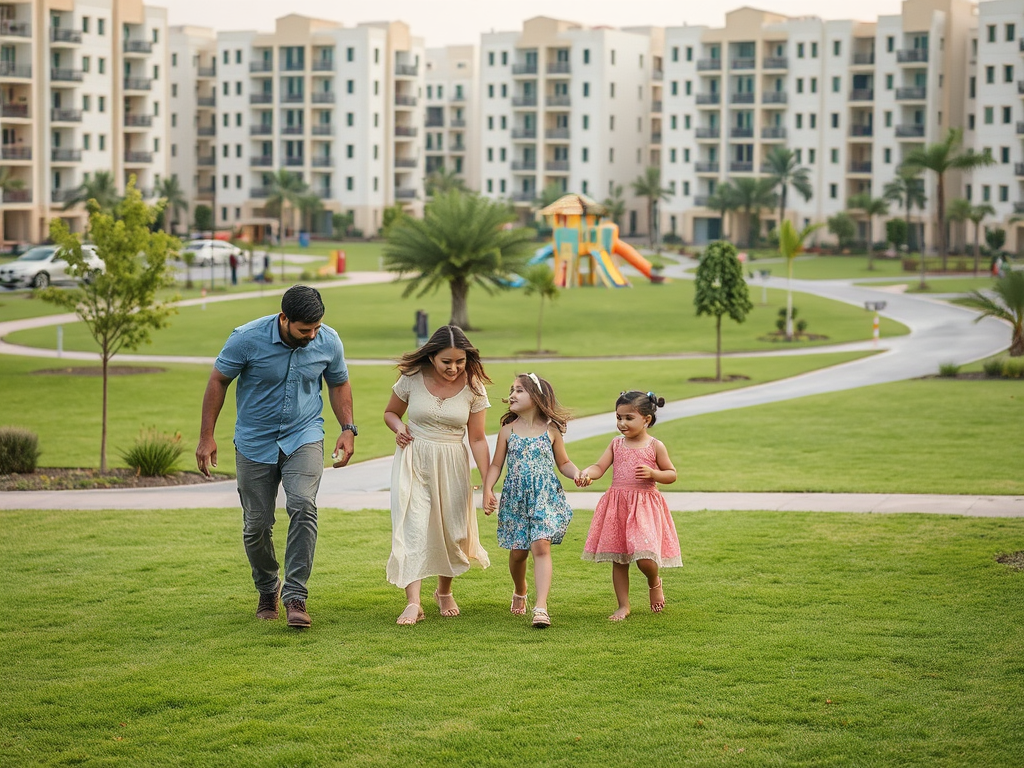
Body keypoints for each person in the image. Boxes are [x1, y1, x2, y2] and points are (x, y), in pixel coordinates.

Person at [196, 285, 356, 629]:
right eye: (304, 330)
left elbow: (339, 383)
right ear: (284, 319)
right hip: (255, 441)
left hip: (305, 434)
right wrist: (207, 436)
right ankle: (268, 588)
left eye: (316, 328)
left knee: (303, 504)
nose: (312, 336)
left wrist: (348, 428)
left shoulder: (328, 340)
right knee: (256, 525)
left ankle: (296, 596)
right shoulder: (246, 338)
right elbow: (218, 381)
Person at [384, 325, 491, 625]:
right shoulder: (411, 378)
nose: (454, 368)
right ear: (432, 356)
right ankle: (413, 602)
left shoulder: (474, 386)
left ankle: (444, 591)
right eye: (447, 362)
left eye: (460, 362)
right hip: (414, 458)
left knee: (451, 530)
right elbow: (390, 412)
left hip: (453, 462)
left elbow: (478, 438)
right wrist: (399, 427)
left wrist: (488, 484)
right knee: (412, 526)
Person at [483, 373, 584, 629]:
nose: (512, 395)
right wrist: (487, 489)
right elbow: (496, 464)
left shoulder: (551, 431)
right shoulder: (507, 431)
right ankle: (520, 589)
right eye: (512, 390)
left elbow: (563, 463)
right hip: (516, 499)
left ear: (536, 397)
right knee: (518, 554)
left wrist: (578, 474)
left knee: (541, 546)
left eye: (519, 390)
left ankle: (541, 607)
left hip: (544, 497)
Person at [578, 391, 682, 621]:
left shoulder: (655, 446)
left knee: (645, 557)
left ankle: (654, 582)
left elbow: (671, 474)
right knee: (620, 557)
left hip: (644, 506)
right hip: (618, 506)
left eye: (628, 418)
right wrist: (587, 474)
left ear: (646, 419)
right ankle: (623, 605)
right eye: (618, 417)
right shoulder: (616, 444)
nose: (622, 423)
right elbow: (599, 466)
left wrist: (654, 473)